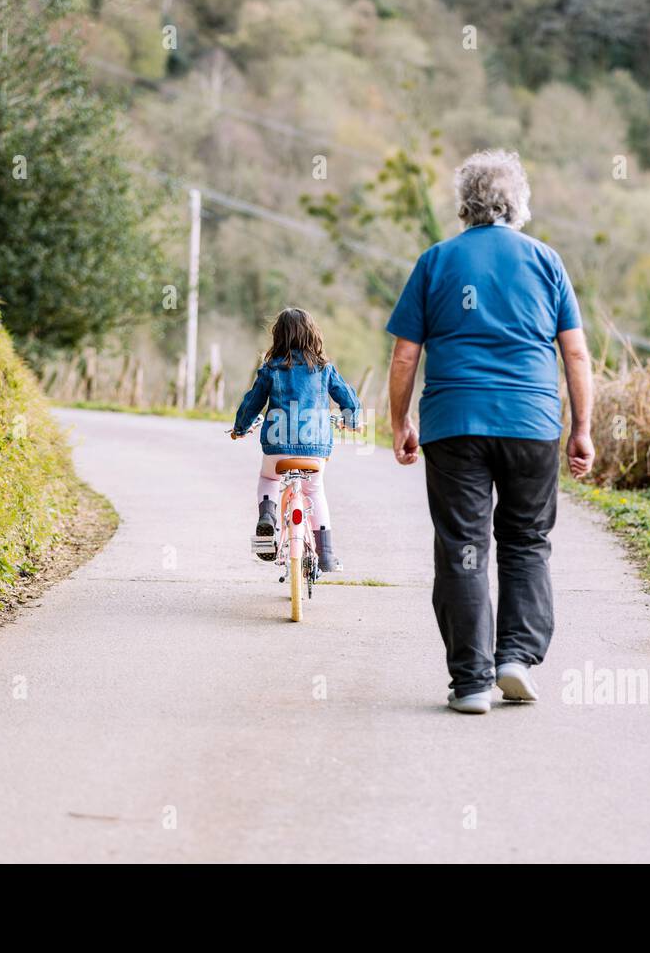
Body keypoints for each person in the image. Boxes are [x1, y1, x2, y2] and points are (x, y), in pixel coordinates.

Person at [385, 150, 595, 714]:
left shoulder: (436, 261)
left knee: (464, 546)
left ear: (465, 204)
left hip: (454, 424)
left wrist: (400, 421)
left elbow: (406, 355)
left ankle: (472, 682)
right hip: (531, 423)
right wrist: (582, 429)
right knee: (526, 541)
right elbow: (574, 353)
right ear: (518, 204)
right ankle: (516, 658)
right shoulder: (546, 261)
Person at [231, 307, 362, 572]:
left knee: (269, 479)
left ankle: (267, 517)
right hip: (315, 448)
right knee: (315, 491)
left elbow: (252, 403)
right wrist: (354, 421)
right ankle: (326, 555)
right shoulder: (325, 369)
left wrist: (240, 428)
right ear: (313, 335)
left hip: (277, 446)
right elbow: (348, 400)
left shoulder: (271, 368)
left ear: (278, 336)